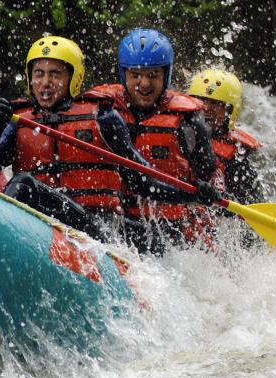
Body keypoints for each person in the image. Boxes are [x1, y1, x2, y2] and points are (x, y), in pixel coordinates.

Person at [0, 36, 213, 244]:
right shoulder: (18, 120)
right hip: (40, 226)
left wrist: (192, 194)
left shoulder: (104, 118)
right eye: (39, 73)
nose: (45, 82)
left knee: (23, 185)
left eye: (55, 74)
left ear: (74, 78)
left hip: (96, 229)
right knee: (24, 185)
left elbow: (141, 179)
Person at [90, 28, 221, 253]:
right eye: (136, 75)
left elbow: (208, 172)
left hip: (167, 231)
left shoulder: (189, 123)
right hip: (111, 222)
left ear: (165, 76)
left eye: (153, 75)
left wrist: (206, 191)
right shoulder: (102, 111)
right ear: (124, 75)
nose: (144, 84)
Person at [187, 69, 265, 204]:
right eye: (201, 99)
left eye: (215, 103)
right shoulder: (175, 136)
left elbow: (249, 205)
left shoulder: (237, 161)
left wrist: (216, 197)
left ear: (230, 112)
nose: (206, 107)